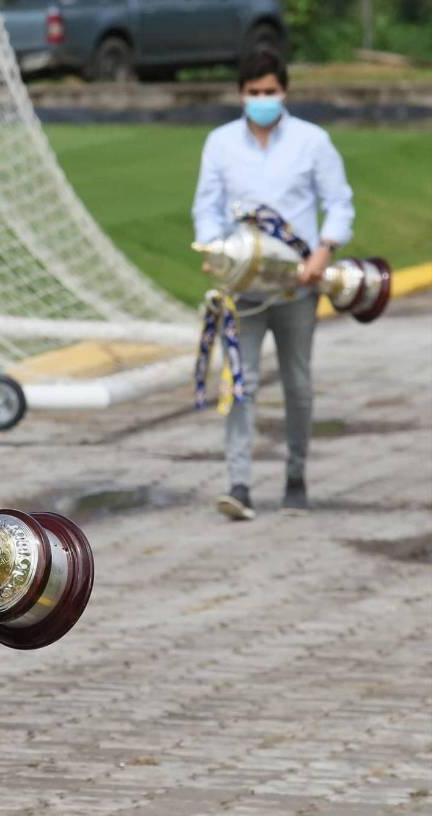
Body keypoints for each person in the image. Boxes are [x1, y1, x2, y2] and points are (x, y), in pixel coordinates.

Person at [191, 48, 354, 521]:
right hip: (243, 287)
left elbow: (339, 202)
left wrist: (324, 251)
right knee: (239, 382)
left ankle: (296, 478)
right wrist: (213, 250)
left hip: (298, 285)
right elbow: (207, 206)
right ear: (241, 95)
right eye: (254, 92)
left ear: (284, 92)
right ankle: (239, 484)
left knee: (298, 384)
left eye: (270, 91)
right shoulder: (220, 143)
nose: (262, 99)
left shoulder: (312, 141)